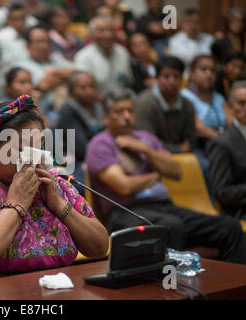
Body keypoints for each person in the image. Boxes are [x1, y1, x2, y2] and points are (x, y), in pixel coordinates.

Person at [0, 95, 109, 278]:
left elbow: (99, 247)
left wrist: (60, 206)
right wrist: (16, 205)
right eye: (22, 149)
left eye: (40, 148)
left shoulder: (52, 181)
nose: (33, 159)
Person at [85, 88, 246, 264]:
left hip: (164, 207)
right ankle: (169, 288)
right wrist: (156, 175)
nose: (126, 116)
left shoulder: (146, 138)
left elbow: (175, 172)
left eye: (130, 111)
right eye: (119, 112)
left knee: (230, 227)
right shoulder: (100, 145)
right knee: (171, 226)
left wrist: (145, 149)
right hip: (126, 212)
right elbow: (125, 186)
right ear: (107, 117)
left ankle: (232, 287)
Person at [56, 71, 105, 194]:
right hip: (74, 159)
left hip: (96, 154)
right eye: (83, 88)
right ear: (72, 91)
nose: (88, 91)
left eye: (91, 87)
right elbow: (81, 146)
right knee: (80, 188)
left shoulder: (98, 107)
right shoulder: (68, 111)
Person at [135, 56, 196, 154]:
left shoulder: (187, 104)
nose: (171, 81)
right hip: (152, 155)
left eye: (176, 76)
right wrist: (179, 149)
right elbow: (147, 141)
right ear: (157, 78)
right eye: (166, 76)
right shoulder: (144, 102)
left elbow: (191, 141)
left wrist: (183, 149)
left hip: (184, 155)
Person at [17, 25, 76, 126]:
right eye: (39, 42)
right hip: (39, 114)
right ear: (28, 46)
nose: (44, 46)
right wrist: (63, 76)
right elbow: (43, 84)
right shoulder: (21, 66)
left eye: (47, 41)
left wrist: (54, 72)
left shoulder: (57, 60)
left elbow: (77, 73)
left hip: (67, 112)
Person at [207, 81, 246, 221]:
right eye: (241, 103)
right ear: (230, 107)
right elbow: (222, 192)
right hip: (239, 211)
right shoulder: (222, 143)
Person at [74, 16, 132, 98]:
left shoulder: (122, 52)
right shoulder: (83, 56)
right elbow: (82, 90)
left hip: (123, 100)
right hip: (97, 104)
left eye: (111, 30)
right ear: (92, 34)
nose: (108, 35)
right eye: (101, 30)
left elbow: (128, 82)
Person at [181, 55, 228, 150]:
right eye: (204, 69)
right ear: (192, 73)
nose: (209, 74)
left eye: (212, 70)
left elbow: (231, 121)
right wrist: (228, 141)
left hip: (223, 145)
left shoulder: (219, 97)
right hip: (199, 147)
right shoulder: (184, 96)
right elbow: (198, 128)